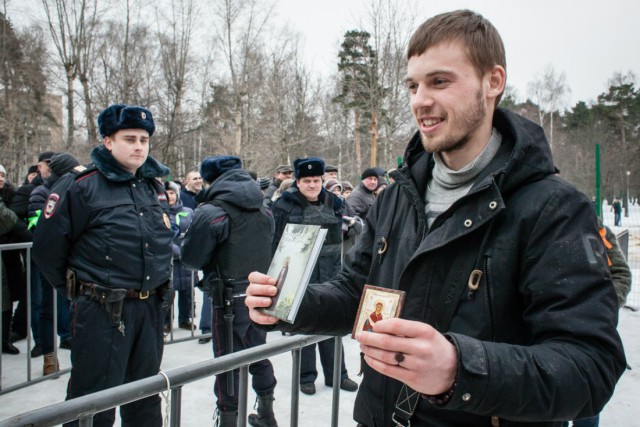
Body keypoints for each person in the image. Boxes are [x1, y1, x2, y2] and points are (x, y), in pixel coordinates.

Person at [245, 10, 626, 426]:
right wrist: (290, 302)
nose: (419, 100)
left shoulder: (552, 208)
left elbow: (591, 366)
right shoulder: (395, 198)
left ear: (493, 82)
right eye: (412, 85)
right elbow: (356, 293)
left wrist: (459, 368)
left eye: (439, 81)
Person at [32, 103, 173, 427]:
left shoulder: (152, 185)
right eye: (129, 138)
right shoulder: (81, 185)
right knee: (92, 401)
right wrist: (80, 290)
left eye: (143, 139)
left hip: (148, 308)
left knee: (144, 395)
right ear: (108, 141)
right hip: (101, 311)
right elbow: (46, 249)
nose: (139, 146)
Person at [180, 155, 279, 427]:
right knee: (258, 353)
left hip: (228, 299)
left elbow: (191, 258)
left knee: (226, 363)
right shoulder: (263, 208)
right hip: (258, 293)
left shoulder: (211, 212)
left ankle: (228, 419)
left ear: (210, 180)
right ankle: (267, 413)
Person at [270, 157, 358, 396]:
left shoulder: (336, 203)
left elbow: (350, 227)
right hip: (299, 274)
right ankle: (306, 376)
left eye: (316, 180)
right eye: (306, 180)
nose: (312, 185)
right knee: (304, 326)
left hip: (331, 273)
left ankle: (337, 375)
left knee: (332, 325)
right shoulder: (283, 206)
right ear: (297, 182)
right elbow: (276, 244)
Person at [563, 218, 632, 427]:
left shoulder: (597, 230)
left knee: (586, 400)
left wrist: (602, 307)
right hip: (549, 331)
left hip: (590, 331)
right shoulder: (541, 229)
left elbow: (621, 274)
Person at [29, 152, 79, 373]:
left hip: (73, 263)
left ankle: (71, 343)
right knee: (48, 308)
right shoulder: (41, 192)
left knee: (73, 308)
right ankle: (49, 356)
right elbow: (41, 228)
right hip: (51, 264)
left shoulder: (76, 188)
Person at [164, 180, 194, 333]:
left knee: (187, 290)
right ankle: (167, 321)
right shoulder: (160, 212)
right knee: (170, 291)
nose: (170, 196)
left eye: (172, 193)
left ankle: (185, 319)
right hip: (170, 258)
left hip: (186, 256)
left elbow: (193, 232)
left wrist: (189, 250)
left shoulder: (188, 211)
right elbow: (163, 237)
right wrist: (179, 252)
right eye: (167, 193)